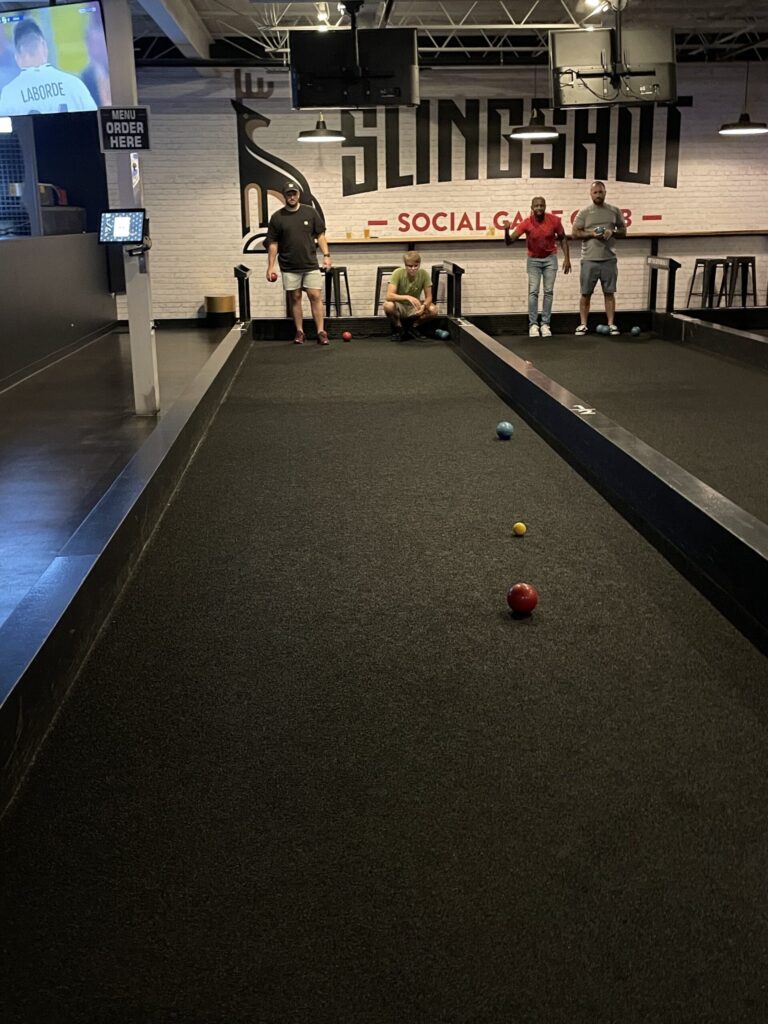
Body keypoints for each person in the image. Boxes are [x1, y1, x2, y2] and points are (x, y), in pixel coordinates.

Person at [265, 181, 331, 346]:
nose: (292, 197)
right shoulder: (277, 217)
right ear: (285, 196)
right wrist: (270, 266)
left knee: (315, 296)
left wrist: (326, 255)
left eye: (294, 193)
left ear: (298, 195)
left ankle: (321, 332)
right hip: (289, 265)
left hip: (310, 263)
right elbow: (273, 244)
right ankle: (300, 332)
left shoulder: (310, 212)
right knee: (295, 298)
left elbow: (320, 236)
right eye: (289, 194)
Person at [503, 197, 571, 337]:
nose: (539, 208)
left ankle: (545, 324)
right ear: (532, 207)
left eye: (541, 205)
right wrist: (506, 230)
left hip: (550, 259)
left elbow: (563, 238)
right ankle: (533, 325)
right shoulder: (526, 222)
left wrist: (567, 258)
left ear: (545, 206)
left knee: (548, 291)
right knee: (533, 292)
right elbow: (509, 242)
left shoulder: (554, 220)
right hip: (533, 260)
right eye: (536, 206)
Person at [0, 19, 97, 116]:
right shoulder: (74, 84)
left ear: (17, 57)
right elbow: (96, 119)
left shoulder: (9, 94)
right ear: (44, 46)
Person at [572, 180, 628, 336]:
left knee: (609, 293)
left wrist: (612, 232)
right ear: (591, 194)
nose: (598, 195)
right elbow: (575, 233)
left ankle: (611, 324)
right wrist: (591, 234)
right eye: (595, 192)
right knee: (585, 294)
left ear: (605, 193)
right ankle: (583, 324)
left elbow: (623, 231)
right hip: (589, 259)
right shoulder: (584, 212)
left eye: (600, 192)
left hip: (609, 259)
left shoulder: (614, 211)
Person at [383, 251, 437, 341]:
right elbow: (389, 296)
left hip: (414, 307)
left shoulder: (424, 274)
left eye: (416, 266)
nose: (413, 269)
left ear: (419, 265)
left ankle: (413, 327)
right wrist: (407, 297)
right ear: (405, 265)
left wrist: (423, 306)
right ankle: (399, 327)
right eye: (410, 266)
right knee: (388, 305)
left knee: (433, 310)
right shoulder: (398, 273)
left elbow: (429, 297)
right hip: (400, 306)